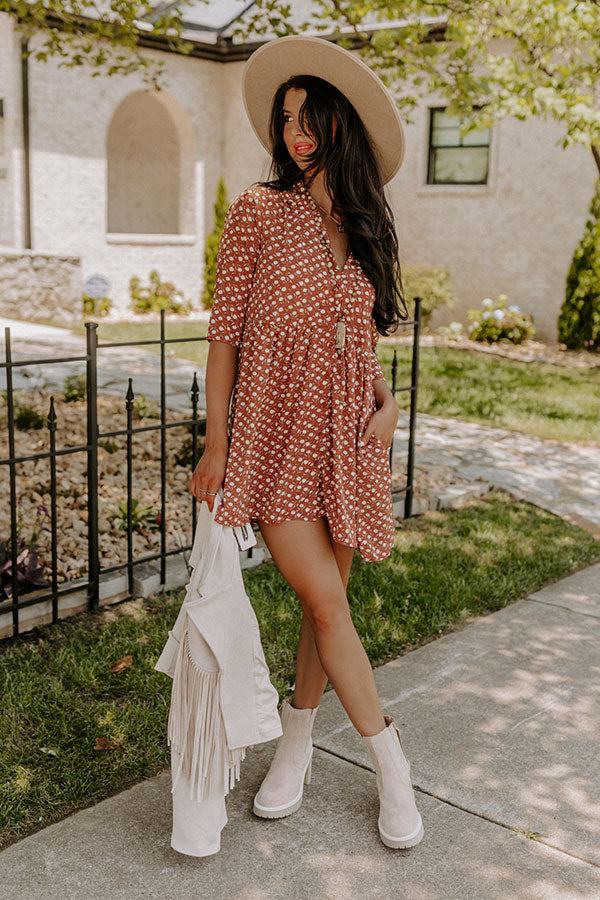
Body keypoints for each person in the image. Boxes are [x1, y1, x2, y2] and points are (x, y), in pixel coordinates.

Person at [189, 35, 424, 850]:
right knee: (325, 603)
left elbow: (356, 343)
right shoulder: (260, 211)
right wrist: (217, 443)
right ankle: (391, 761)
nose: (292, 131)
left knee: (328, 614)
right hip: (274, 438)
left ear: (339, 122)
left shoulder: (361, 226)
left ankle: (296, 746)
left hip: (349, 442)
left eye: (306, 115)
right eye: (283, 118)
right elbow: (224, 337)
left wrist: (388, 405)